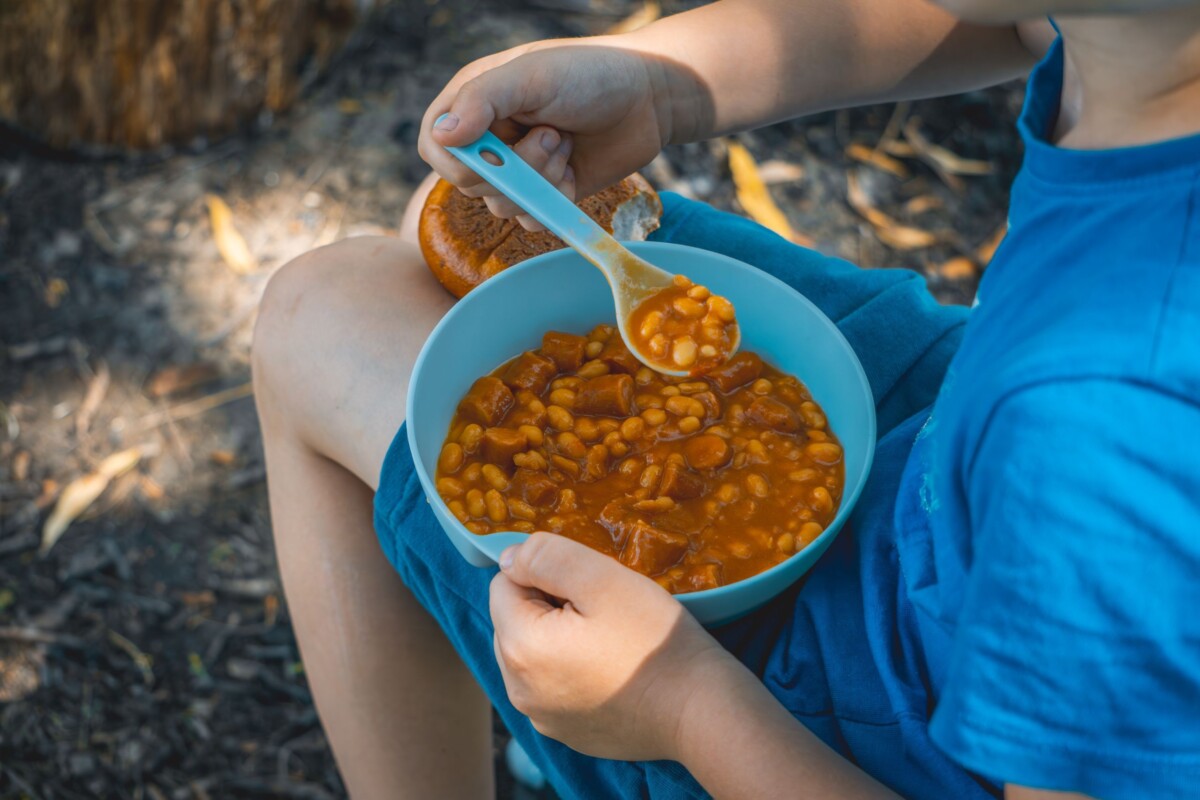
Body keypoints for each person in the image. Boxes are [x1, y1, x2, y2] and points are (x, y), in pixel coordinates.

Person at [250, 0, 1200, 797]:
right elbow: (1029, 24)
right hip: (946, 448)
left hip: (842, 722)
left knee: (314, 316)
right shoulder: (1147, 54)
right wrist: (665, 82)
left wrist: (677, 704)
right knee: (451, 225)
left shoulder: (1103, 422)